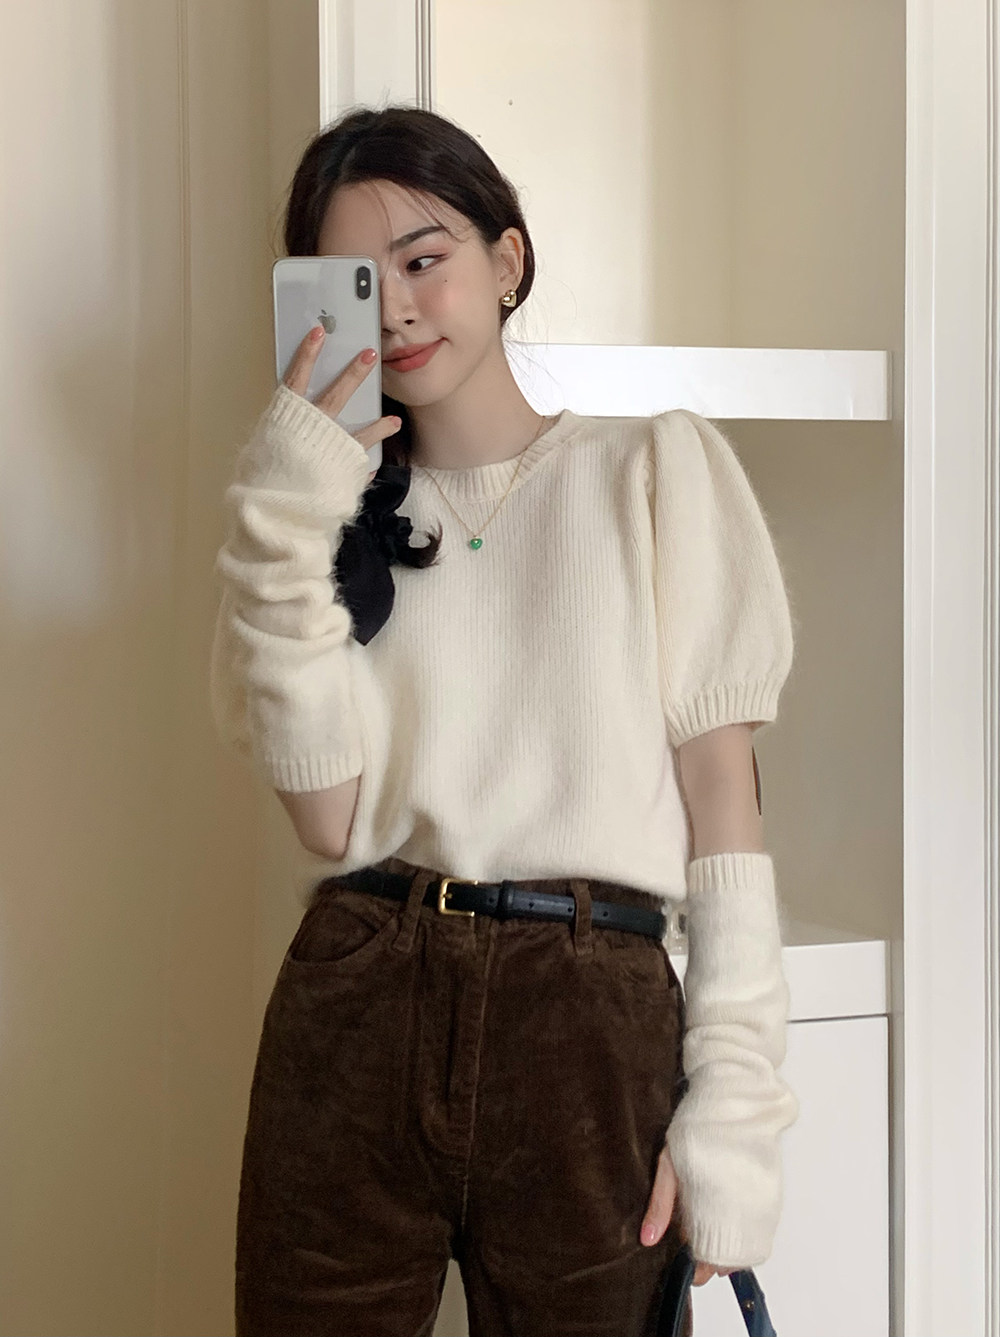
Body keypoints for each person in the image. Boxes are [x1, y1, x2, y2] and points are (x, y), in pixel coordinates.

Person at [210, 103, 799, 1337]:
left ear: (506, 260)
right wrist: (288, 512)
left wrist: (736, 1107)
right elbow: (326, 819)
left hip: (588, 1016)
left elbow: (724, 809)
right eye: (358, 284)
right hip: (358, 996)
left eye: (424, 259)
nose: (398, 309)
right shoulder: (306, 528)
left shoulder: (652, 470)